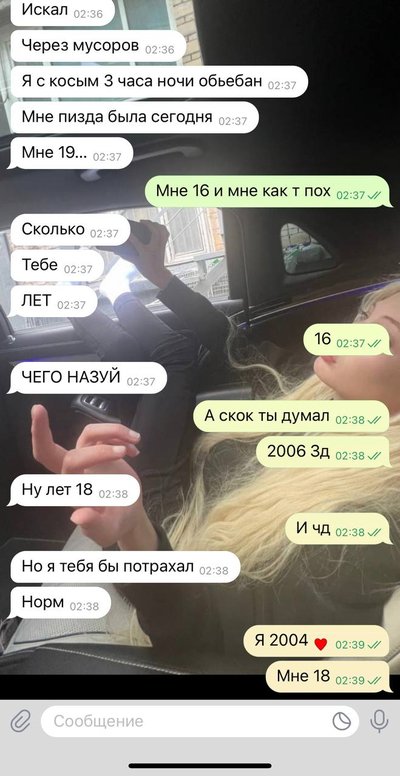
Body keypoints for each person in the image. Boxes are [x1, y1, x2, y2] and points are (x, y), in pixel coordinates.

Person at [31, 221, 400, 673]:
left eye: (381, 335)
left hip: (168, 522)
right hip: (186, 505)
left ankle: (79, 293)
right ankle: (91, 292)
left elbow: (212, 639)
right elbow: (239, 345)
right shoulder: (325, 394)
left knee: (168, 356)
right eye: (363, 316)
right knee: (156, 355)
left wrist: (135, 531)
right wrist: (160, 275)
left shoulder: (366, 526)